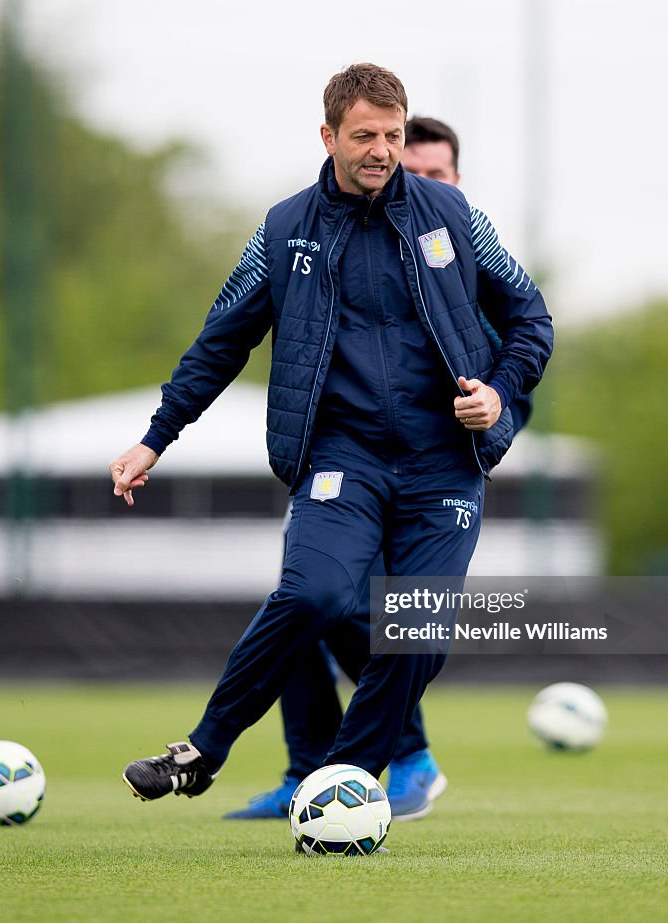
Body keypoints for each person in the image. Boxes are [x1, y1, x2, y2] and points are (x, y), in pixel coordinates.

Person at [111, 64, 553, 826]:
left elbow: (532, 321)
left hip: (442, 465)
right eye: (365, 136)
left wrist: (498, 393)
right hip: (340, 459)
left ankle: (339, 786)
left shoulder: (453, 214)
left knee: (414, 640)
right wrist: (157, 436)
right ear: (329, 137)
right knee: (314, 595)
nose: (382, 150)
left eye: (392, 135)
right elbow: (220, 343)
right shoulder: (284, 230)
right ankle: (204, 751)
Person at [223, 116, 470, 823]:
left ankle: (399, 759)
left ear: (456, 185)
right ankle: (314, 771)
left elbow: (516, 365)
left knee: (391, 622)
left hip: (434, 483)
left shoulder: (463, 264)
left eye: (432, 175)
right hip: (350, 468)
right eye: (402, 164)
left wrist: (490, 410)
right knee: (304, 602)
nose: (408, 179)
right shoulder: (333, 239)